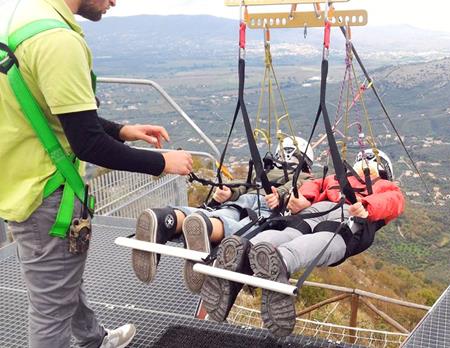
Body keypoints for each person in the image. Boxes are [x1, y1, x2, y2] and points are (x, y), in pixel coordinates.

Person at [0, 0, 192, 347]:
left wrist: (122, 129)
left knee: (59, 280)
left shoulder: (23, 18)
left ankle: (93, 340)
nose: (114, 2)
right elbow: (89, 144)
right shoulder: (58, 40)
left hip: (20, 181)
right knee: (50, 311)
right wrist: (163, 163)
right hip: (48, 195)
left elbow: (54, 112)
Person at [200, 149, 405, 337]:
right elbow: (314, 185)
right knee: (295, 233)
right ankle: (256, 254)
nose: (363, 162)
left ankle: (264, 255)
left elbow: (393, 201)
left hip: (347, 220)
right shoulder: (337, 179)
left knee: (317, 238)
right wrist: (304, 199)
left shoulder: (384, 187)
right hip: (322, 212)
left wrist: (367, 207)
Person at [132, 137, 314, 294]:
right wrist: (280, 197)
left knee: (220, 212)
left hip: (246, 198)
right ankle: (207, 229)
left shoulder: (265, 171)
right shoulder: (304, 177)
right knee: (241, 228)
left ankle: (168, 218)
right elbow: (295, 192)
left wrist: (229, 194)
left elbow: (245, 186)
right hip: (267, 209)